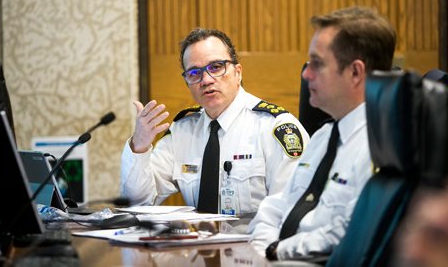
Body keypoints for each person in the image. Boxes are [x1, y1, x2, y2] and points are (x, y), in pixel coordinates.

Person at [248, 6, 397, 260]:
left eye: (317, 64)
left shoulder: (382, 147)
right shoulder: (323, 136)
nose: (306, 75)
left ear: (355, 72)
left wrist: (278, 251)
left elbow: (348, 234)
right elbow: (277, 207)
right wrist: (262, 253)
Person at [120, 28, 309, 218]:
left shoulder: (273, 127)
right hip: (196, 244)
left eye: (216, 67)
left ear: (238, 72)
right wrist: (140, 146)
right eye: (194, 73)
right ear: (187, 83)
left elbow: (290, 211)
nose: (206, 80)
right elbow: (139, 203)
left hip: (255, 244)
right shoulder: (182, 131)